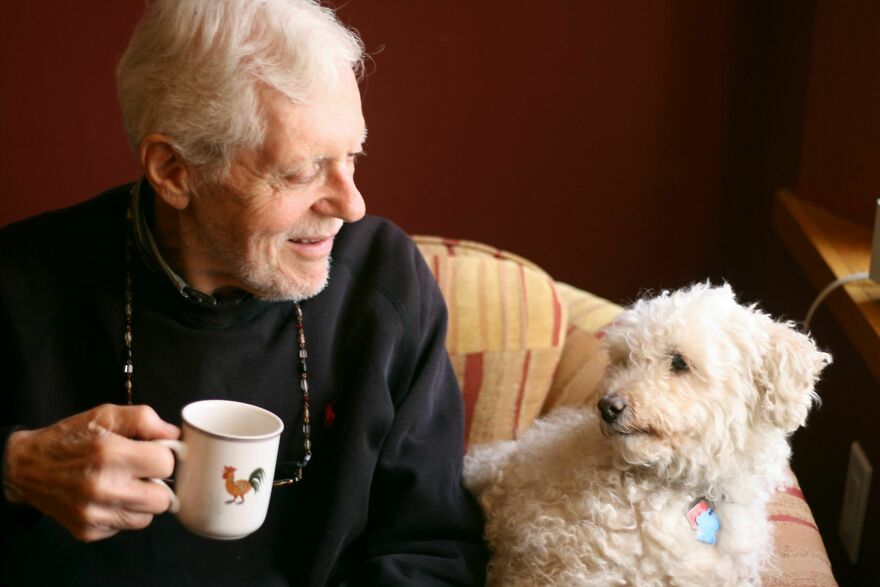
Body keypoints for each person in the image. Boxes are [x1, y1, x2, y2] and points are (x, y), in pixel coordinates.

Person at [0, 0, 488, 584]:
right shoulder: (17, 282)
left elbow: (433, 550)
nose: (351, 206)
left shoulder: (385, 284)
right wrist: (13, 467)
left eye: (352, 156)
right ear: (175, 172)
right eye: (302, 171)